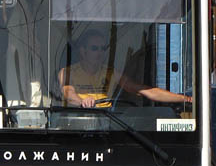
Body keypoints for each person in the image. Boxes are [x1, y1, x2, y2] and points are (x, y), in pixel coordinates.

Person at [58, 31, 192, 108]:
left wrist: (185, 98)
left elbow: (143, 90)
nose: (100, 53)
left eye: (103, 49)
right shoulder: (67, 72)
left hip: (105, 126)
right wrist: (82, 102)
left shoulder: (110, 73)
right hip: (75, 125)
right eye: (94, 48)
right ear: (83, 51)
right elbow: (68, 93)